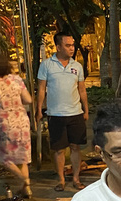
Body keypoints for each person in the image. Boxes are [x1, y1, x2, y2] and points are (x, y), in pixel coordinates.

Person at [37, 32, 89, 192]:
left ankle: (76, 178)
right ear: (58, 47)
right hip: (56, 114)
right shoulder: (47, 65)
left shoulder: (77, 66)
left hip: (75, 113)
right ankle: (60, 180)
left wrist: (86, 109)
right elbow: (41, 89)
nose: (72, 48)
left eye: (73, 45)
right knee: (59, 149)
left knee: (75, 147)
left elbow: (82, 90)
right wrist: (38, 110)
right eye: (68, 45)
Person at [0, 52, 33, 198]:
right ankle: (25, 190)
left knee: (2, 156)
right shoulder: (16, 79)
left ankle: (25, 180)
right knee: (23, 157)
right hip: (23, 121)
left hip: (6, 123)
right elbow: (28, 99)